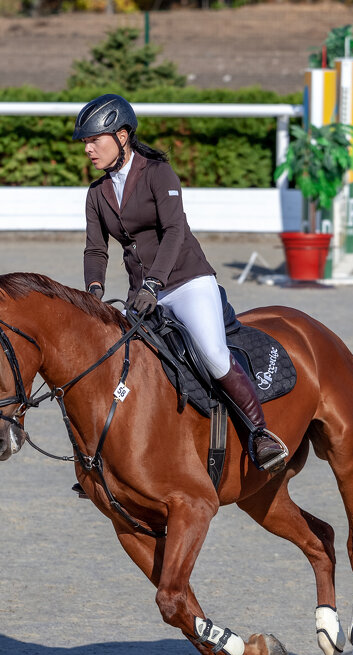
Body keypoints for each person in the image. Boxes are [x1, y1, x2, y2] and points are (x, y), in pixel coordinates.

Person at [74, 93, 287, 473]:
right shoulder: (97, 193)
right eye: (86, 143)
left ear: (122, 136)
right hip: (141, 293)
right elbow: (96, 250)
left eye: (95, 140)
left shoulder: (158, 173)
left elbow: (174, 231)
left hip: (185, 282)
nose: (89, 149)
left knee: (212, 353)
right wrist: (93, 293)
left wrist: (154, 284)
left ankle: (260, 433)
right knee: (121, 364)